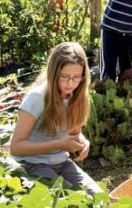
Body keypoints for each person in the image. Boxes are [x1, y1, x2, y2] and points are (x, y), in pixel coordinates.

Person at [10, 42, 103, 195]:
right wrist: (59, 144)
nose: (71, 83)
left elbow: (74, 133)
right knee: (71, 200)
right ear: (53, 73)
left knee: (99, 197)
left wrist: (83, 142)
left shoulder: (78, 97)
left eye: (76, 77)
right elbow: (16, 147)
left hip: (62, 162)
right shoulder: (37, 98)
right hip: (31, 164)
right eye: (65, 77)